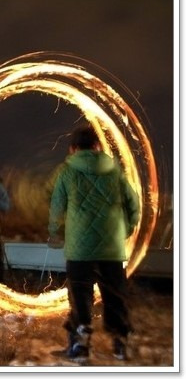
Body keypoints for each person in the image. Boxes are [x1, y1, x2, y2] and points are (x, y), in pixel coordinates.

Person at [47, 124, 140, 362]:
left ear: (73, 148)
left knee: (80, 296)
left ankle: (80, 346)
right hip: (112, 248)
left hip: (79, 250)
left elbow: (57, 206)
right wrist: (125, 231)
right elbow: (133, 205)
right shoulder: (114, 170)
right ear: (98, 146)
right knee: (114, 295)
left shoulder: (66, 171)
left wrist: (54, 233)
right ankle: (121, 344)